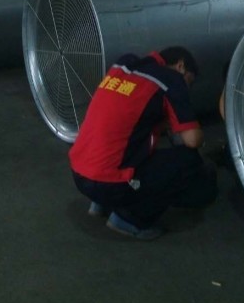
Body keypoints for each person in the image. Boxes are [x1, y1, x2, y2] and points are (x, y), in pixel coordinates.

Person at [69, 46, 217, 240]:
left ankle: (102, 204)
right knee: (188, 160)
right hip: (107, 184)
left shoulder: (122, 65)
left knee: (130, 146)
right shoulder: (171, 79)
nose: (187, 88)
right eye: (189, 81)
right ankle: (130, 219)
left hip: (79, 174)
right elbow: (193, 140)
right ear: (180, 66)